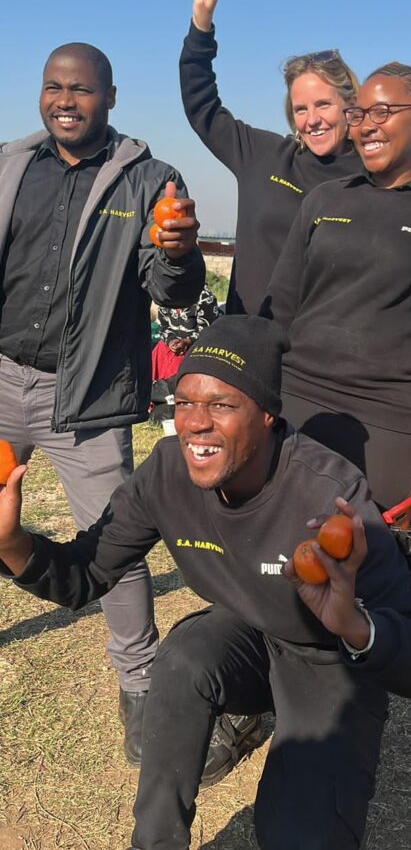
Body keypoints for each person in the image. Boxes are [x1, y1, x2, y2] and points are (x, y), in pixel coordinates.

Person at [0, 314, 411, 850]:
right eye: (185, 402)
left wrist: (354, 625)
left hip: (327, 660)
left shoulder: (329, 497)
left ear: (266, 414)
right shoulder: (168, 471)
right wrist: (12, 543)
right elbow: (87, 573)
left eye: (221, 405)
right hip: (246, 633)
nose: (196, 422)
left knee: (298, 837)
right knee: (182, 657)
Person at [0, 42, 204, 763]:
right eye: (53, 87)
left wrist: (179, 253)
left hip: (82, 395)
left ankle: (140, 683)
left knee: (111, 548)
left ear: (111, 97)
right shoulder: (9, 164)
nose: (65, 100)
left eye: (81, 90)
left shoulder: (150, 180)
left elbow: (171, 291)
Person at [264, 61, 411, 510]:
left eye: (382, 112)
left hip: (396, 420)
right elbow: (281, 310)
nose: (367, 126)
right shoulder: (325, 200)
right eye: (359, 114)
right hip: (301, 403)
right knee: (285, 557)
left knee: (380, 563)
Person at [180, 0, 362, 314]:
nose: (312, 121)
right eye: (301, 109)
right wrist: (201, 25)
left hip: (329, 358)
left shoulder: (372, 178)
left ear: (349, 104)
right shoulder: (264, 157)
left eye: (323, 105)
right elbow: (201, 104)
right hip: (248, 346)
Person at [151, 284, 221, 382]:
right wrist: (171, 340)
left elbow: (208, 331)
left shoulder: (204, 296)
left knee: (178, 373)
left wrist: (188, 341)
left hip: (195, 348)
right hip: (171, 346)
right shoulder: (166, 293)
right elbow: (163, 327)